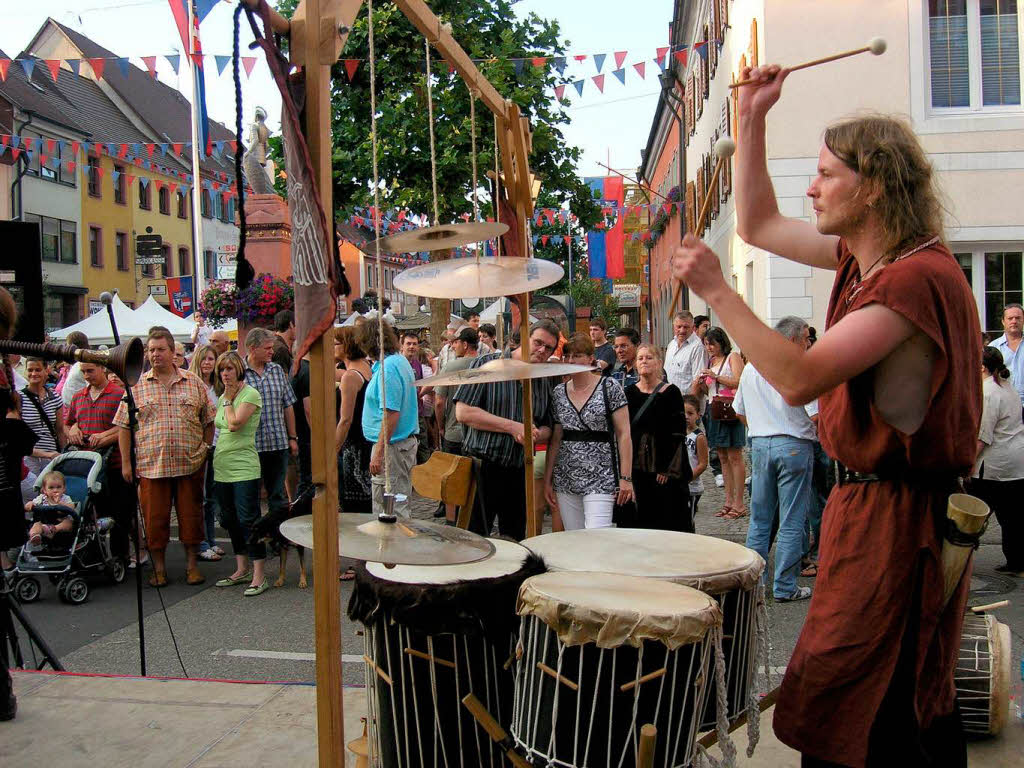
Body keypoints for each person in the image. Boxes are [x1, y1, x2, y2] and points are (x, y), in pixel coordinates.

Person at [672, 63, 981, 766]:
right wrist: (750, 115)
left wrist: (719, 292)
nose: (811, 187)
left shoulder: (915, 278)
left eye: (825, 174)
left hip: (901, 526)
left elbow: (799, 377)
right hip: (866, 514)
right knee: (862, 704)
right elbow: (758, 222)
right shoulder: (866, 258)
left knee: (878, 711)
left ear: (872, 186)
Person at [115, 328, 215, 587]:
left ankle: (192, 567)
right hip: (152, 467)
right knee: (154, 521)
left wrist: (204, 449)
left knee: (191, 518)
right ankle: (158, 569)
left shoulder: (193, 382)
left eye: (160, 349)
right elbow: (124, 427)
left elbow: (209, 420)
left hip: (189, 464)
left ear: (173, 353)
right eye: (151, 350)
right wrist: (126, 462)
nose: (155, 354)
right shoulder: (136, 385)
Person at [734, 316, 816, 602]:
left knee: (760, 519)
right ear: (792, 339)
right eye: (805, 338)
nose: (808, 343)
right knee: (793, 519)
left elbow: (739, 409)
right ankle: (785, 586)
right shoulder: (800, 366)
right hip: (794, 443)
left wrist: (759, 427)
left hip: (760, 443)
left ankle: (754, 586)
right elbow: (815, 413)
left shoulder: (752, 367)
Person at [454, 319, 558, 540]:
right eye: (538, 342)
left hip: (520, 470)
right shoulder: (487, 364)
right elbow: (463, 413)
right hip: (482, 468)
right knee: (474, 541)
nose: (542, 350)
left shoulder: (542, 378)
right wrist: (511, 427)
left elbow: (549, 425)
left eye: (548, 348)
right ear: (524, 337)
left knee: (514, 541)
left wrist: (535, 433)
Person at [543, 333, 632, 530]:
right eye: (567, 356)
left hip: (601, 474)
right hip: (566, 475)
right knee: (574, 540)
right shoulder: (558, 392)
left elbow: (624, 433)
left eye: (577, 355)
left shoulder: (609, 387)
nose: (571, 361)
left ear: (591, 358)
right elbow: (557, 438)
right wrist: (548, 479)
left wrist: (625, 478)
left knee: (598, 535)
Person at [211, 352, 268, 597]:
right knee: (229, 519)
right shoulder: (224, 395)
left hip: (244, 466)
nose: (225, 374)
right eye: (222, 370)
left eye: (229, 369)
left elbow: (234, 423)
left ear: (239, 371)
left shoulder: (250, 394)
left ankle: (259, 573)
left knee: (249, 519)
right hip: (222, 464)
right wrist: (226, 399)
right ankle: (241, 568)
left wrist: (227, 403)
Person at [65, 361, 134, 562]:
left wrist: (104, 436)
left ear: (102, 368)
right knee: (94, 516)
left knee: (120, 515)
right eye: (83, 372)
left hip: (115, 464)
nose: (87, 375)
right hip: (89, 468)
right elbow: (68, 423)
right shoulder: (79, 396)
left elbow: (128, 426)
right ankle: (95, 556)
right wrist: (74, 430)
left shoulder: (118, 394)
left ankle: (121, 557)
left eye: (90, 371)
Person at [969, 347, 1024, 577]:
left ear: (982, 366)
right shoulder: (1007, 387)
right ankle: (1017, 562)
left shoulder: (989, 392)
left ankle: (957, 559)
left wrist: (968, 464)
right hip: (1015, 462)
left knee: (971, 516)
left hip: (995, 466)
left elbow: (983, 436)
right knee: (1012, 516)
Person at [624, 343, 691, 531]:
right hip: (637, 467)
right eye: (640, 358)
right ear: (636, 364)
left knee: (667, 520)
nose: (644, 361)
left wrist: (666, 469)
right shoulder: (628, 393)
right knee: (639, 521)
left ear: (658, 362)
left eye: (649, 357)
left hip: (664, 469)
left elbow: (678, 433)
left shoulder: (671, 392)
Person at [360, 319, 419, 517]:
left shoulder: (390, 367)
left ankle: (392, 547)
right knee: (395, 502)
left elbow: (392, 413)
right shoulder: (396, 361)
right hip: (397, 445)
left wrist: (378, 452)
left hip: (392, 448)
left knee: (390, 507)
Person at [243, 328, 298, 530]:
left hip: (277, 443)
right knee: (251, 496)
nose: (271, 352)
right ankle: (255, 537)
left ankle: (278, 535)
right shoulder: (240, 373)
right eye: (266, 348)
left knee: (277, 495)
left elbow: (288, 404)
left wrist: (292, 437)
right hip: (251, 446)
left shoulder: (276, 370)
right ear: (252, 348)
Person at [694, 327, 746, 517]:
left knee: (735, 456)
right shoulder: (711, 361)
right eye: (706, 344)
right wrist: (702, 383)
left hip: (730, 411)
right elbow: (711, 391)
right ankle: (728, 501)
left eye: (712, 344)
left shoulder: (732, 357)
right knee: (722, 457)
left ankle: (739, 504)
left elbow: (740, 382)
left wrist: (717, 377)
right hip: (714, 411)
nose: (709, 347)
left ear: (721, 343)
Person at [433, 326, 480, 523]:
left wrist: (441, 426)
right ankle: (470, 520)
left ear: (465, 344)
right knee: (474, 481)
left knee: (451, 479)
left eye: (456, 343)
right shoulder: (484, 366)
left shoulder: (450, 367)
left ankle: (451, 522)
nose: (453, 346)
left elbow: (438, 401)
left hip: (453, 432)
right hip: (478, 434)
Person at [189, 345, 223, 562]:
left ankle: (211, 539)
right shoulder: (193, 385)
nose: (208, 363)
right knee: (200, 497)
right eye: (204, 359)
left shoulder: (218, 387)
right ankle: (201, 543)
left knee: (211, 497)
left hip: (218, 445)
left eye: (211, 359)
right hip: (200, 445)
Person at [334, 326, 373, 514]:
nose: (332, 347)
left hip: (353, 447)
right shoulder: (367, 367)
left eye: (335, 343)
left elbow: (345, 420)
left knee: (353, 505)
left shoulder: (350, 376)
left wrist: (332, 449)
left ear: (346, 346)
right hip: (367, 442)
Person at [20, 358, 64, 483]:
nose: (33, 374)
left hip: (52, 456)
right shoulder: (19, 398)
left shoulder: (55, 397)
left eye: (38, 370)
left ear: (46, 370)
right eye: (30, 370)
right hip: (28, 457)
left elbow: (60, 430)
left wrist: (63, 454)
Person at [400, 331, 434, 464]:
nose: (411, 347)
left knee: (423, 448)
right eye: (408, 344)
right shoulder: (397, 364)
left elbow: (419, 387)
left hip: (417, 413)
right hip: (403, 415)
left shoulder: (417, 364)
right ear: (401, 345)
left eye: (414, 344)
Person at [664, 311, 708, 409]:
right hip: (670, 405)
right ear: (673, 326)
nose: (682, 330)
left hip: (687, 409)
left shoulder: (698, 347)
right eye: (678, 327)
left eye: (686, 327)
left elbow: (698, 381)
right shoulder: (672, 344)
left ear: (693, 328)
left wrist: (689, 408)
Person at [24, 470, 75, 549]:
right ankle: (35, 536)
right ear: (44, 490)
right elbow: (29, 505)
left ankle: (53, 529)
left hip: (59, 521)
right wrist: (30, 504)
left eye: (58, 487)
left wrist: (61, 504)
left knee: (68, 523)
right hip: (43, 523)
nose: (55, 490)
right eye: (51, 488)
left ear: (64, 489)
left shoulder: (65, 498)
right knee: (36, 524)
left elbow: (72, 507)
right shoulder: (42, 498)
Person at [989, 303, 1024, 412]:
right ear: (1003, 321)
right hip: (1002, 407)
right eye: (1010, 318)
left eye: (1018, 318)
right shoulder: (993, 348)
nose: (1014, 321)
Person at [682, 394, 708, 528]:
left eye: (690, 413)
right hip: (678, 485)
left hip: (692, 487)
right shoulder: (676, 434)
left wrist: (688, 477)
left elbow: (703, 463)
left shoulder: (699, 437)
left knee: (688, 520)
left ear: (698, 415)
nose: (686, 416)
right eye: (683, 412)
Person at [57, 331, 89, 407]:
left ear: (72, 347)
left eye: (67, 345)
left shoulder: (85, 364)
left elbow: (91, 387)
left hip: (81, 408)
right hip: (72, 408)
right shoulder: (76, 363)